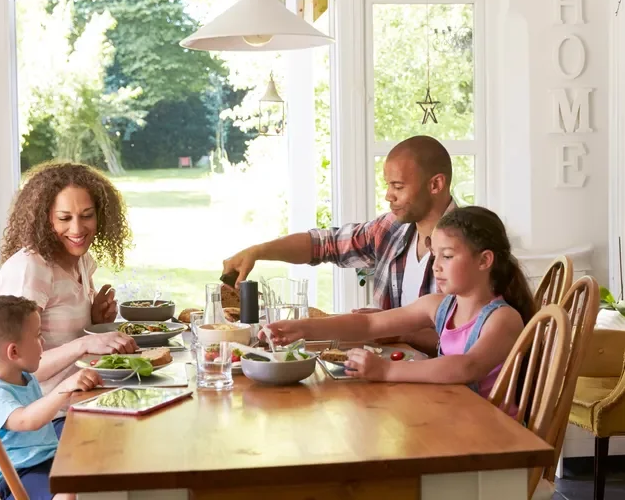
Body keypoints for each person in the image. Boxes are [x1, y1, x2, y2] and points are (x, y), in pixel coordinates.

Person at [265, 206, 536, 407]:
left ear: (484, 260)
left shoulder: (503, 319)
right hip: (455, 416)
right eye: (434, 255)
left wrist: (386, 371)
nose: (436, 266)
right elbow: (369, 323)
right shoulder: (440, 306)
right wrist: (303, 328)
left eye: (448, 256)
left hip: (495, 441)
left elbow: (466, 367)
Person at [223, 135, 455, 352]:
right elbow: (324, 244)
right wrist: (258, 251)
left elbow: (470, 337)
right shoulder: (391, 229)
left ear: (435, 185)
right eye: (388, 185)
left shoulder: (469, 247)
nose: (388, 195)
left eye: (398, 186)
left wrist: (398, 330)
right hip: (390, 373)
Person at [0, 162, 137, 402]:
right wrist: (85, 342)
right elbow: (13, 369)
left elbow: (62, 337)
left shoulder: (80, 259)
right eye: (64, 218)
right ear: (44, 219)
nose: (77, 229)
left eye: (87, 216)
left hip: (84, 396)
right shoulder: (31, 269)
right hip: (45, 417)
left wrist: (95, 321)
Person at [0, 295, 103, 500]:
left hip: (42, 459)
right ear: (14, 351)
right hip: (15, 476)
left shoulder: (23, 377)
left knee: (92, 454)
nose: (43, 341)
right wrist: (65, 388)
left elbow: (39, 411)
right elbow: (26, 420)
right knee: (69, 489)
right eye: (38, 335)